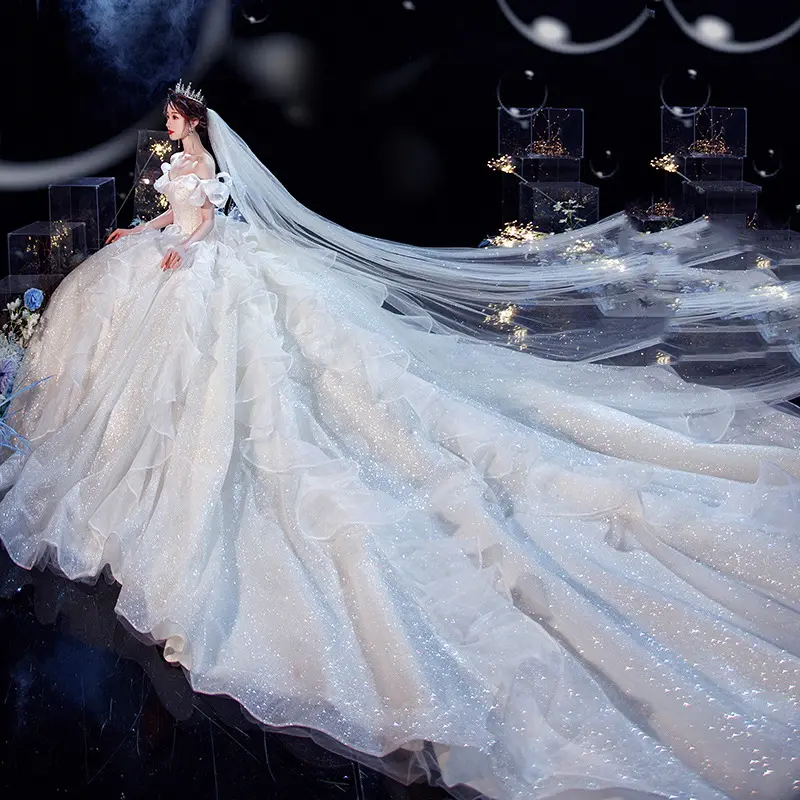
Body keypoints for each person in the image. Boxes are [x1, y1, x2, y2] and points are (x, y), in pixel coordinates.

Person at [0, 80, 798, 800]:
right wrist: (142, 234)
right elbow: (177, 213)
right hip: (178, 256)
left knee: (251, 388)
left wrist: (173, 245)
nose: (169, 126)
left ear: (192, 121)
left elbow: (202, 222)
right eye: (171, 119)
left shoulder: (199, 159)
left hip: (201, 267)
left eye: (175, 117)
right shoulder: (180, 159)